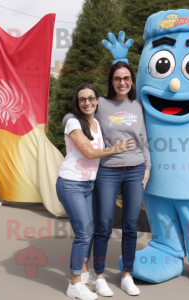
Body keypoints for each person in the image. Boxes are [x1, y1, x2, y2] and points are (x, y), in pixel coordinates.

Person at [63, 62, 151, 296]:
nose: (122, 82)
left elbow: (143, 138)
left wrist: (147, 166)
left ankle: (127, 275)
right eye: (117, 78)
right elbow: (76, 114)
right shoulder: (100, 104)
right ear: (111, 81)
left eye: (126, 78)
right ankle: (99, 276)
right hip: (107, 171)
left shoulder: (137, 106)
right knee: (103, 226)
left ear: (131, 80)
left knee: (131, 225)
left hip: (135, 170)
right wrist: (68, 123)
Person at [56, 83, 133, 300]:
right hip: (70, 183)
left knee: (88, 232)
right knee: (83, 234)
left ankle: (84, 273)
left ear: (97, 101)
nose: (87, 102)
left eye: (91, 98)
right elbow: (88, 152)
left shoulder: (97, 123)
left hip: (88, 185)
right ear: (77, 103)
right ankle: (74, 284)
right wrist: (116, 149)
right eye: (82, 99)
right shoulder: (73, 121)